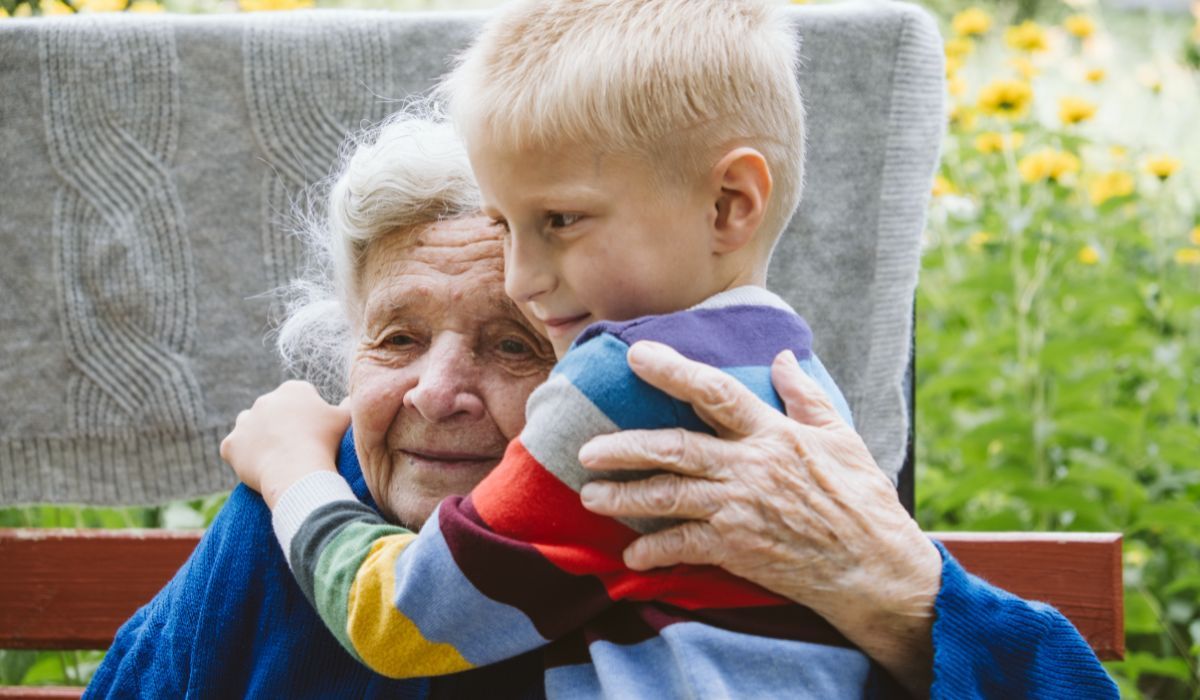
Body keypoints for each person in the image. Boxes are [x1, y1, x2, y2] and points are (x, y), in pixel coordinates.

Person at [222, 2, 1117, 699]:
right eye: (397, 339)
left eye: (516, 345)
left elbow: (397, 619)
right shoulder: (790, 376)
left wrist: (294, 475)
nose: (530, 276)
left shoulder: (630, 390)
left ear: (731, 205)